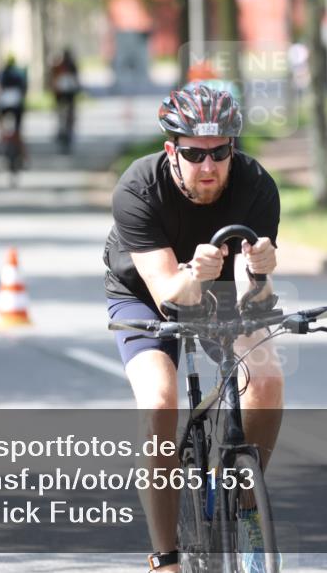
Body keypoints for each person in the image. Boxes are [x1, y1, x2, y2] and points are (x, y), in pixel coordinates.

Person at [103, 83, 283, 572]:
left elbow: (258, 302)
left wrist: (263, 272)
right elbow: (166, 295)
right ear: (171, 151)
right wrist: (190, 274)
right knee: (160, 400)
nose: (208, 167)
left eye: (220, 152)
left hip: (219, 292)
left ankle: (247, 510)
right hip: (144, 293)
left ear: (233, 148)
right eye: (194, 154)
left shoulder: (257, 186)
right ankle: (166, 557)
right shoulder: (138, 189)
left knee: (266, 379)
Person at [49, 48, 80, 153]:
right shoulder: (68, 66)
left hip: (62, 96)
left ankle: (63, 130)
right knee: (67, 115)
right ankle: (66, 130)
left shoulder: (59, 66)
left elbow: (54, 81)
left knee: (63, 115)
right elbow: (76, 82)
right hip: (66, 96)